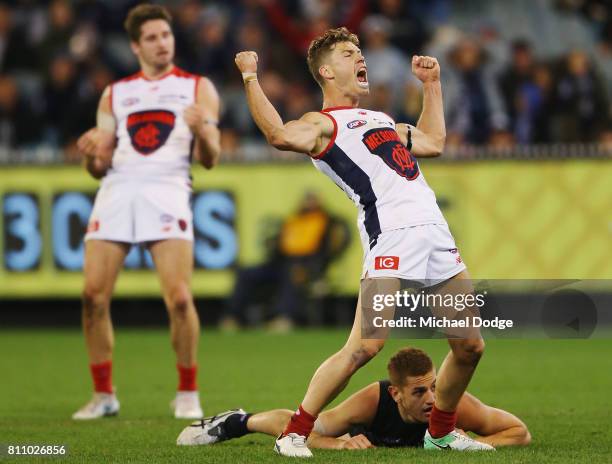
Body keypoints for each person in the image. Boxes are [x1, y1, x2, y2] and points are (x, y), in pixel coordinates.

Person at [234, 27, 491, 456]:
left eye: (359, 51)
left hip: (433, 231)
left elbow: (434, 141)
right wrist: (250, 77)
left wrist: (432, 86)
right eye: (349, 53)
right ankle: (294, 432)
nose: (360, 58)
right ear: (326, 71)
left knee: (469, 345)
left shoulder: (381, 120)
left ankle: (441, 433)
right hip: (389, 234)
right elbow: (279, 135)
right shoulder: (322, 124)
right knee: (366, 345)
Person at [72, 4, 220, 420]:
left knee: (178, 298)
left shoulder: (197, 88)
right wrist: (89, 154)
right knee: (92, 297)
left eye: (166, 36)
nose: (162, 44)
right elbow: (98, 165)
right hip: (117, 190)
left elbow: (211, 158)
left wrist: (201, 132)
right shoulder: (115, 94)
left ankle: (187, 391)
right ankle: (104, 396)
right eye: (152, 38)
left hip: (167, 189)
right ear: (136, 46)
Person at [177, 348, 531, 449]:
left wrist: (481, 441)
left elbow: (519, 431)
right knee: (298, 426)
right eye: (419, 391)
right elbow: (306, 431)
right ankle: (237, 421)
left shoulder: (451, 403)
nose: (431, 398)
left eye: (434, 387)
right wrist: (337, 446)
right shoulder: (372, 401)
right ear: (396, 394)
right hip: (350, 430)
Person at [220, 191, 340, 331]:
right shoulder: (293, 220)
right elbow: (280, 247)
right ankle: (233, 317)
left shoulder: (326, 222)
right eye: (307, 200)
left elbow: (327, 251)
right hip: (281, 263)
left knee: (292, 273)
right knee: (245, 273)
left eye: (312, 200)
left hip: (306, 265)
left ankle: (284, 318)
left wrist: (313, 268)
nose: (309, 203)